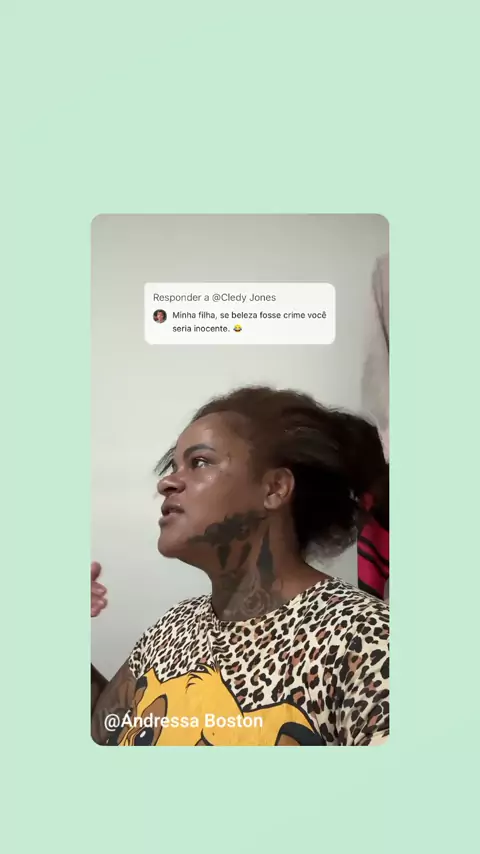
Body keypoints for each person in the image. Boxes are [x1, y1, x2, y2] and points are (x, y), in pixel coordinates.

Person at [91, 386, 389, 746]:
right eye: (173, 467)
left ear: (274, 489)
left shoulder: (363, 638)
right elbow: (103, 730)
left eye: (200, 462)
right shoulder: (172, 627)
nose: (166, 482)